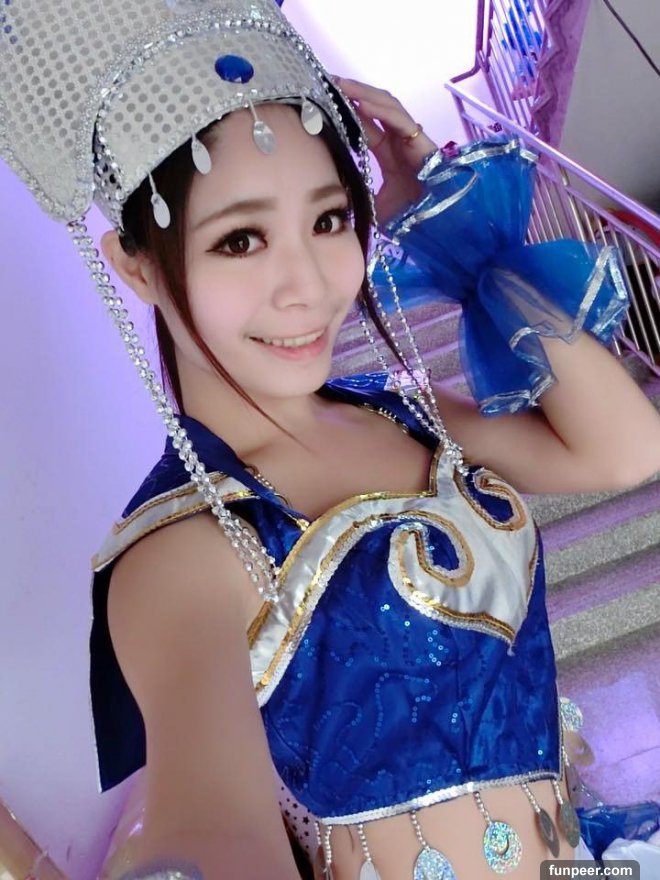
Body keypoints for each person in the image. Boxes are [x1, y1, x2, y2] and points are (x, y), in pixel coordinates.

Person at [2, 2, 659, 879]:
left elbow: (625, 449)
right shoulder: (177, 553)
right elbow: (216, 830)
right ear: (137, 264)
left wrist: (448, 218)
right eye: (241, 240)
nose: (308, 286)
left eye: (329, 220)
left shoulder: (399, 412)